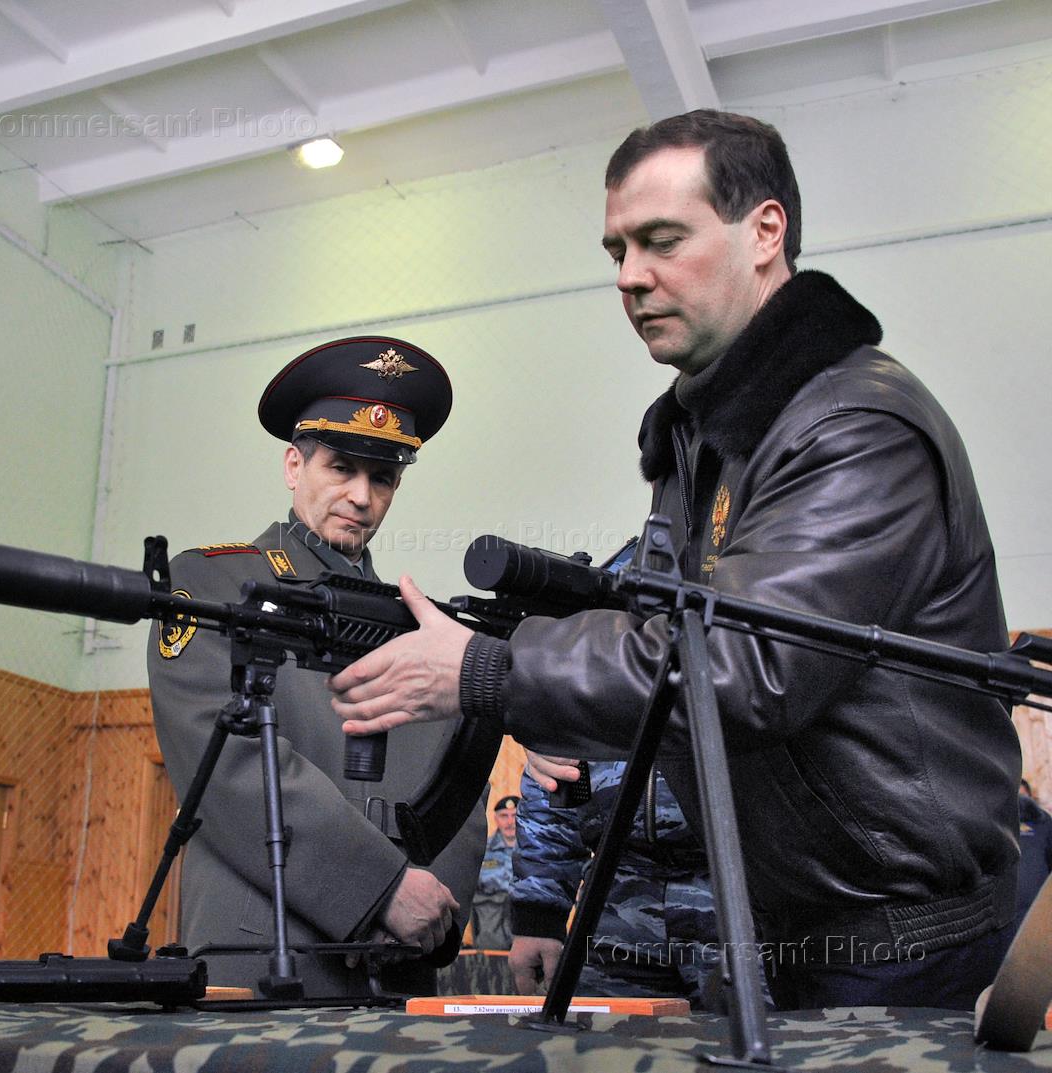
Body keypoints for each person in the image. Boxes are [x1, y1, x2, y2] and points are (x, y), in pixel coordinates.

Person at [329, 111, 1022, 1011]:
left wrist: (492, 671)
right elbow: (670, 642)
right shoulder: (709, 435)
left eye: (662, 241)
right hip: (779, 930)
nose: (629, 275)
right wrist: (538, 686)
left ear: (764, 232)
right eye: (617, 249)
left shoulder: (853, 425)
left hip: (894, 946)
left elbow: (745, 667)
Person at [148, 335, 486, 999]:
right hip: (263, 962)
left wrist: (430, 913)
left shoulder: (421, 629)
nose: (361, 496)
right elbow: (230, 768)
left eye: (382, 477)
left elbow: (462, 789)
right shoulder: (213, 584)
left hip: (401, 973)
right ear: (293, 466)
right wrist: (378, 889)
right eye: (341, 467)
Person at [511, 758, 724, 1007]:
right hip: (612, 904)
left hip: (736, 893)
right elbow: (550, 797)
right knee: (610, 1028)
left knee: (747, 1027)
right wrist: (538, 920)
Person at [470, 795, 519, 950]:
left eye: (515, 815)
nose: (510, 822)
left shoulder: (536, 850)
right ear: (496, 819)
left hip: (527, 932)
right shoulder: (481, 851)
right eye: (504, 816)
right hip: (491, 934)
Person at [1017, 779, 1052, 922]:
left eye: (1022, 796)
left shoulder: (1043, 823)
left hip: (1036, 908)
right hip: (1002, 913)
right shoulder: (995, 826)